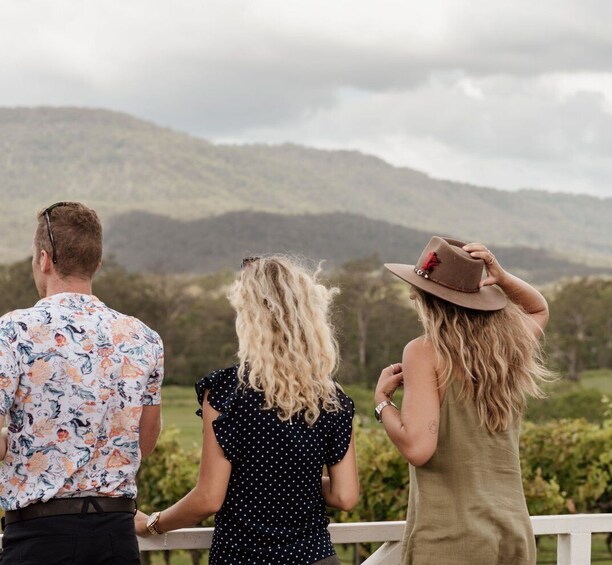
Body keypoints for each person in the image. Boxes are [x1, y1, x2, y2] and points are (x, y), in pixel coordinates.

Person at [135, 255, 359, 565]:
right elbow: (344, 496)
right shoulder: (331, 398)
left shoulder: (229, 393)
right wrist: (293, 478)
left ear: (250, 318)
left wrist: (152, 523)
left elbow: (209, 497)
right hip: (316, 557)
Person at [0, 201, 164, 564]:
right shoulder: (143, 337)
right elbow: (145, 441)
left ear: (44, 259)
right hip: (116, 536)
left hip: (39, 538)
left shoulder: (12, 331)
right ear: (97, 264)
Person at [375, 236, 552, 565]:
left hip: (449, 537)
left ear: (427, 299)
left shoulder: (424, 352)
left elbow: (417, 448)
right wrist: (501, 274)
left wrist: (383, 403)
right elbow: (538, 308)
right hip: (513, 534)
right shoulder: (507, 350)